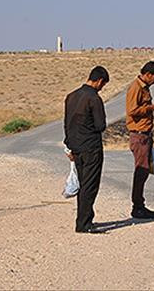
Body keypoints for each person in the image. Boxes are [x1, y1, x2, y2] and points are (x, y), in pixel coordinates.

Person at [63, 66, 109, 233]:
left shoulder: (71, 96)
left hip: (75, 147)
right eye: (103, 85)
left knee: (83, 184)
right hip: (91, 148)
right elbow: (100, 125)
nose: (101, 88)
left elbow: (67, 123)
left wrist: (68, 145)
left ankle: (84, 219)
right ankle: (84, 223)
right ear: (99, 81)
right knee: (90, 186)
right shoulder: (94, 99)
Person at [126, 61, 154, 219]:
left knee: (144, 171)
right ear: (148, 74)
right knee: (141, 171)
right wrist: (151, 108)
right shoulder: (135, 88)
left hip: (145, 135)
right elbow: (132, 111)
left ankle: (139, 205)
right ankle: (137, 207)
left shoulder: (144, 87)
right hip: (139, 135)